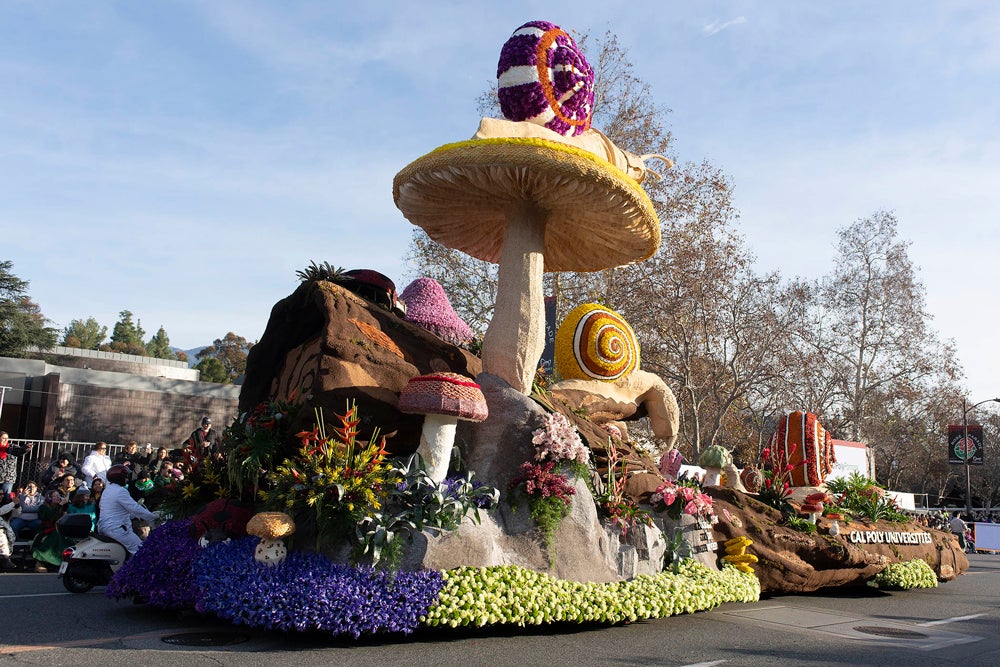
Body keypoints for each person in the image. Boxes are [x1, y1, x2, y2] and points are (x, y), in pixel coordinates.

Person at [97, 465, 157, 555]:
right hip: (117, 530)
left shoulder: (107, 489)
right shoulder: (120, 491)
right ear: (120, 478)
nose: (127, 480)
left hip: (104, 528)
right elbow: (135, 508)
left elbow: (111, 508)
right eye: (125, 477)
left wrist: (134, 516)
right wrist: (153, 518)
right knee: (142, 551)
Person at [31, 489, 69, 572]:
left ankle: (63, 562)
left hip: (59, 529)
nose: (57, 498)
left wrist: (64, 508)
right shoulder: (43, 507)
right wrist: (59, 506)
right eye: (55, 496)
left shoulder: (61, 507)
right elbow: (48, 517)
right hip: (46, 530)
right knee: (54, 537)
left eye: (58, 496)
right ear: (49, 498)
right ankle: (41, 562)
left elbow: (64, 519)